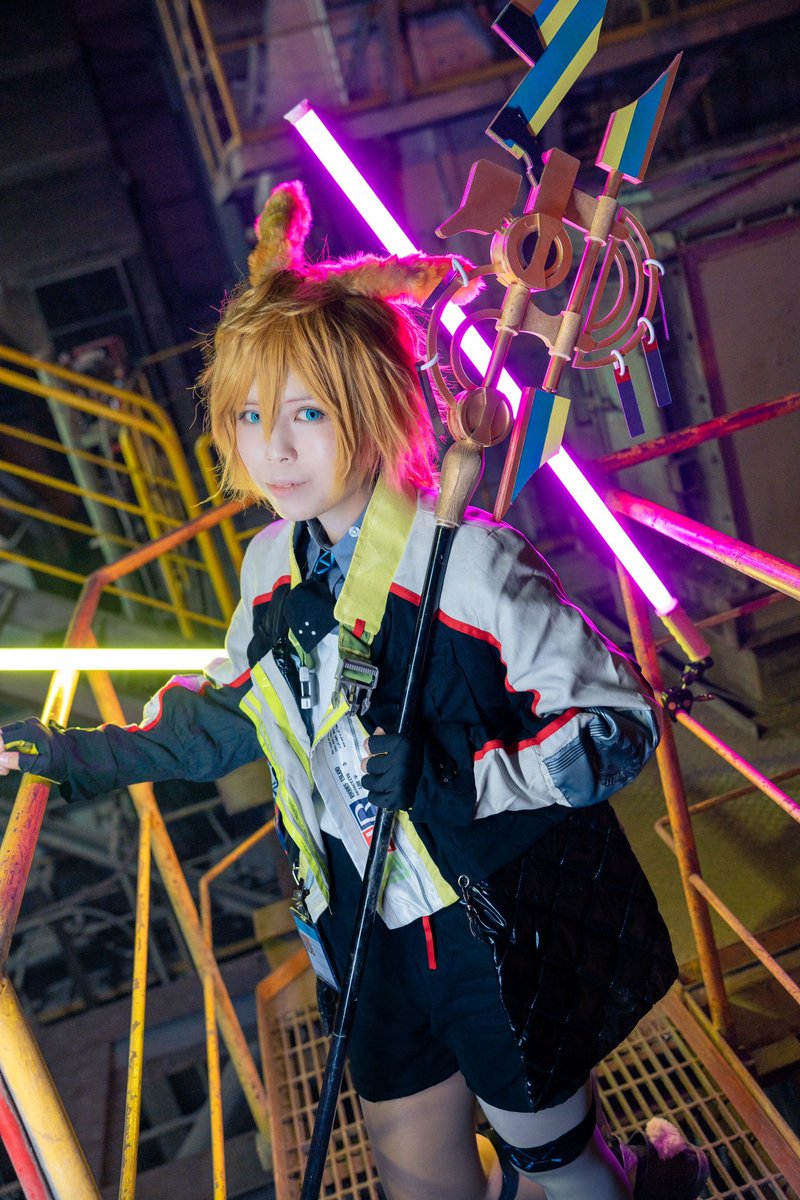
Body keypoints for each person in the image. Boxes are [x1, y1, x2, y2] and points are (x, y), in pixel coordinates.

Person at [0, 183, 709, 1200]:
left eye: (306, 414)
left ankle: (644, 1180)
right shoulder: (268, 564)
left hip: (490, 925)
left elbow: (617, 726)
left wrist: (458, 776)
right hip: (357, 924)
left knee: (559, 1169)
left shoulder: (469, 562)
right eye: (249, 415)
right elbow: (231, 712)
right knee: (418, 1183)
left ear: (376, 405)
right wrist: (77, 756)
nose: (273, 449)